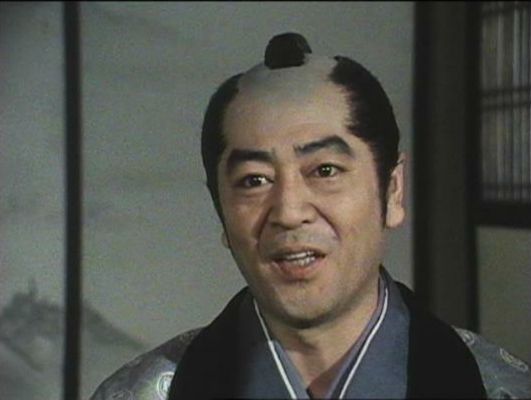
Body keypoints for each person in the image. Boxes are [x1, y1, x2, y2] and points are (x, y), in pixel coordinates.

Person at [91, 33, 530, 399]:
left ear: (393, 190)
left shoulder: (500, 388)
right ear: (220, 210)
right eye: (254, 180)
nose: (289, 212)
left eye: (325, 171)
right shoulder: (144, 393)